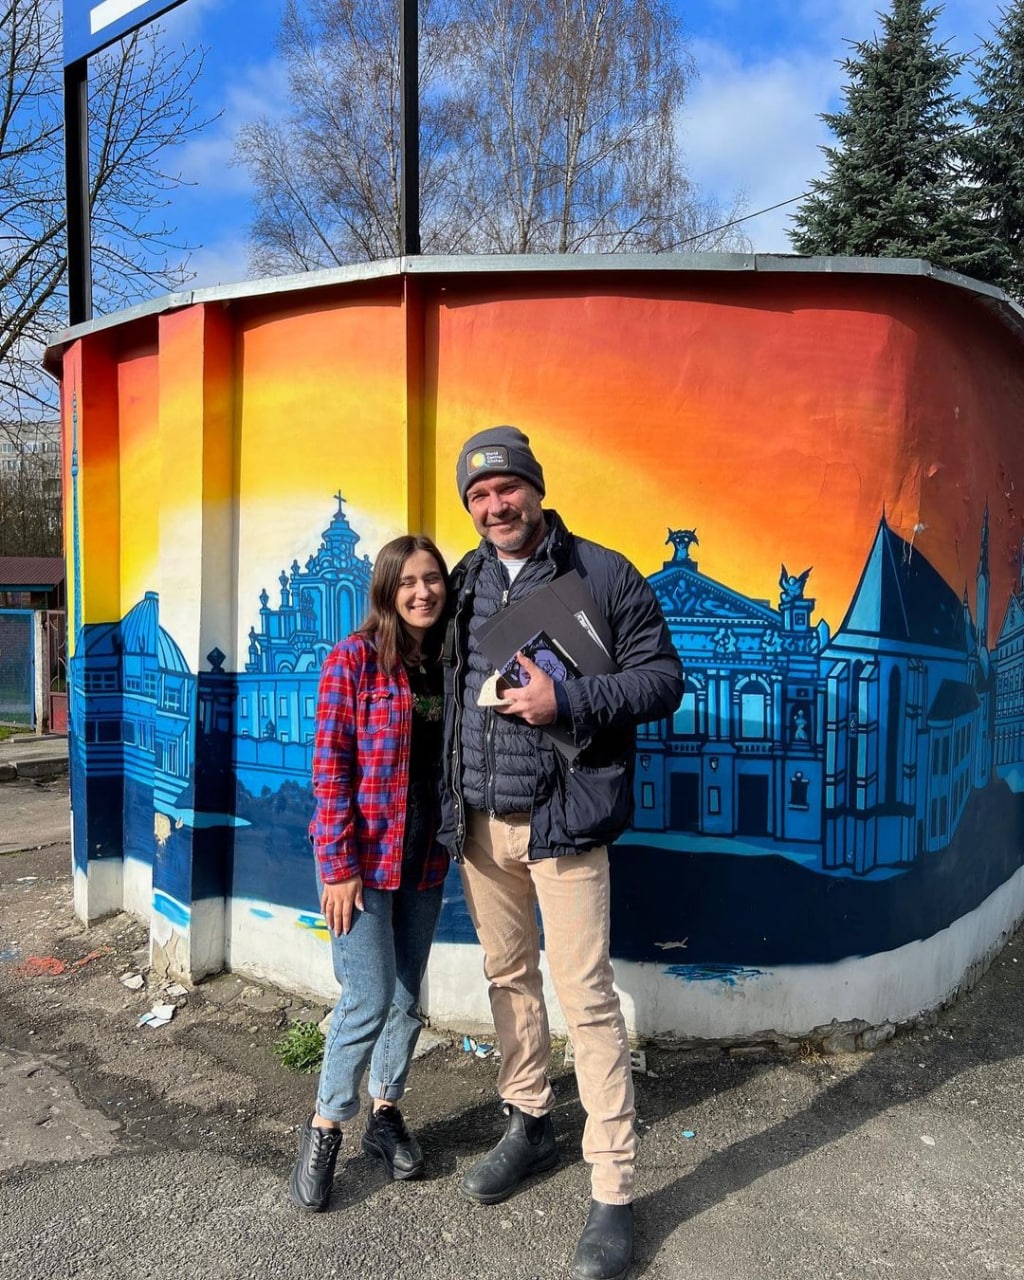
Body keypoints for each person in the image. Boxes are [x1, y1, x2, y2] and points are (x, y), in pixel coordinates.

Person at [440, 427, 683, 1280]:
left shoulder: (604, 575)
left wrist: (568, 699)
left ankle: (612, 1189)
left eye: (507, 487)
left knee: (587, 1002)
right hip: (481, 824)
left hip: (563, 822)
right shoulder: (463, 581)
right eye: (478, 495)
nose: (494, 505)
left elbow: (663, 681)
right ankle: (530, 1121)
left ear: (536, 489)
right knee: (508, 979)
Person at [290, 534, 450, 1212]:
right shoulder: (352, 659)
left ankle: (385, 1114)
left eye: (432, 579)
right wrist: (337, 866)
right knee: (367, 996)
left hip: (426, 855)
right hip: (362, 860)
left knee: (407, 995)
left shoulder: (446, 663)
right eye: (407, 581)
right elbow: (330, 768)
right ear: (386, 590)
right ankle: (326, 1125)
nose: (422, 592)